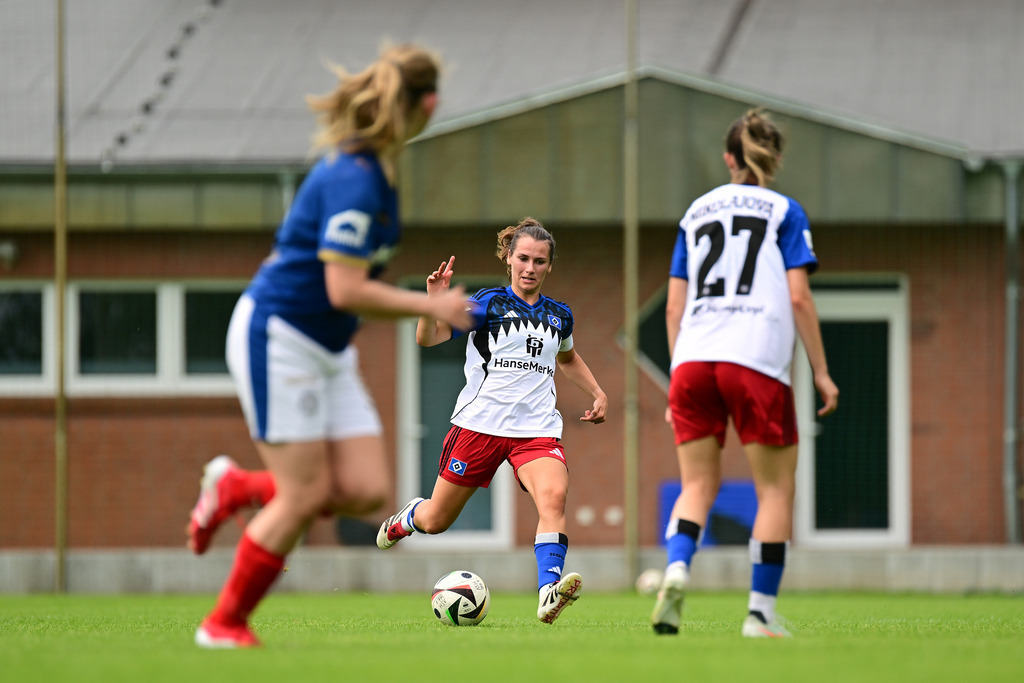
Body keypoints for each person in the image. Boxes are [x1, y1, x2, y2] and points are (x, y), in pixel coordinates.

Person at [190, 43, 473, 649]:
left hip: (328, 350)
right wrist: (430, 305)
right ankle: (223, 625)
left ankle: (238, 488)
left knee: (369, 491)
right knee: (304, 497)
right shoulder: (353, 176)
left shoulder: (378, 171)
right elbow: (343, 288)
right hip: (281, 336)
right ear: (428, 104)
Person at [651, 108, 839, 638]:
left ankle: (676, 568)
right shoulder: (786, 211)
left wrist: (676, 377)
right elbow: (799, 298)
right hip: (754, 360)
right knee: (775, 492)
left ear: (728, 159)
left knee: (697, 484)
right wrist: (822, 372)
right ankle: (759, 613)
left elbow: (672, 308)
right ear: (773, 159)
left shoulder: (695, 213)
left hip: (692, 360)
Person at [376, 217, 608, 625]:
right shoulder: (487, 305)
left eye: (539, 261)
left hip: (536, 432)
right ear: (508, 259)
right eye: (523, 258)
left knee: (553, 497)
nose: (530, 267)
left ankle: (547, 592)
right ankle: (410, 516)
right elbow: (427, 338)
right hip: (479, 428)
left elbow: (567, 358)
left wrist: (597, 391)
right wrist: (433, 301)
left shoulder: (559, 316)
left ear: (549, 266)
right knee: (437, 520)